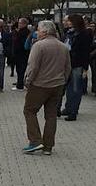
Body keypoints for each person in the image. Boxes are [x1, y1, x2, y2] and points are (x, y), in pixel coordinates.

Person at [23, 21, 71, 155]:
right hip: (57, 85)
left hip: (40, 85)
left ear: (44, 32)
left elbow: (33, 67)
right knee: (51, 116)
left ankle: (35, 141)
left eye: (38, 30)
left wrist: (28, 81)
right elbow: (68, 67)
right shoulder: (63, 47)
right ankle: (48, 146)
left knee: (29, 111)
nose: (36, 33)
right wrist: (63, 80)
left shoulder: (39, 46)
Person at [61, 14, 91, 121]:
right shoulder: (69, 33)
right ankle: (68, 107)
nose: (67, 22)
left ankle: (73, 111)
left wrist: (85, 68)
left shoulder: (83, 34)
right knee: (69, 88)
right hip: (68, 64)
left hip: (77, 64)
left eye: (69, 21)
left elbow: (85, 52)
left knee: (75, 88)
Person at [12, 18, 30, 91]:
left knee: (20, 70)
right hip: (21, 54)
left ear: (24, 24)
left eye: (20, 23)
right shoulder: (23, 31)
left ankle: (20, 85)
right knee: (20, 70)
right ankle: (20, 83)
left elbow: (21, 43)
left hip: (22, 54)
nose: (18, 24)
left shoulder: (23, 32)